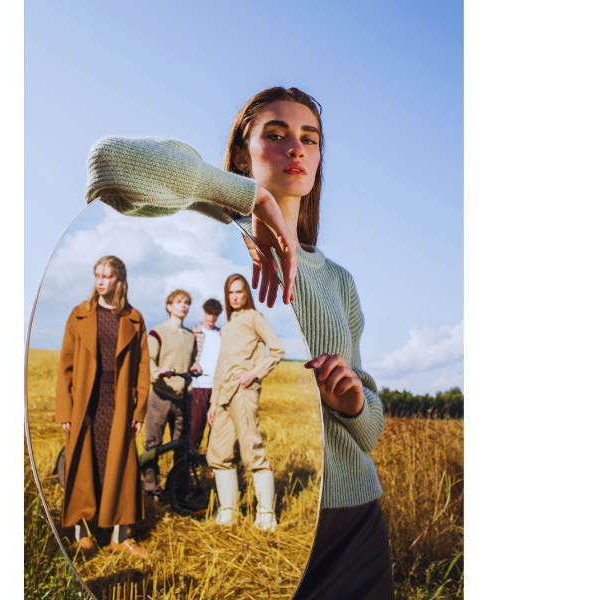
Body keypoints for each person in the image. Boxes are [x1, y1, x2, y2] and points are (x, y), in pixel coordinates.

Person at [84, 87, 395, 598]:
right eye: (275, 135)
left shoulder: (338, 280)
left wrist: (355, 403)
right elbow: (108, 165)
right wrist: (246, 198)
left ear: (319, 159)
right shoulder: (214, 246)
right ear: (239, 158)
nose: (296, 148)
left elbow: (370, 433)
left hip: (354, 525)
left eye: (309, 139)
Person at [55, 255, 150, 557]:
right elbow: (65, 366)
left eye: (107, 276)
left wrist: (137, 411)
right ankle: (82, 534)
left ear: (119, 280)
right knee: (83, 464)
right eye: (97, 274)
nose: (100, 281)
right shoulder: (79, 314)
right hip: (86, 402)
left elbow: (143, 370)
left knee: (120, 466)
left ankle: (119, 537)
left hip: (119, 401)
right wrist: (66, 410)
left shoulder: (133, 318)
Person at [206, 274, 284, 530]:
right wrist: (213, 403)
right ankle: (228, 513)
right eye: (231, 293)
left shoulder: (254, 317)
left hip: (243, 391)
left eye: (239, 292)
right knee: (218, 452)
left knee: (252, 450)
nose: (235, 297)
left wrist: (253, 374)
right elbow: (220, 368)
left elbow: (277, 350)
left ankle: (265, 516)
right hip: (224, 393)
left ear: (246, 294)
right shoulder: (227, 326)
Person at [142, 289, 200, 502]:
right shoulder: (157, 332)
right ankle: (152, 491)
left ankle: (177, 491)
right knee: (153, 445)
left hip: (183, 397)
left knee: (182, 447)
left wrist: (195, 366)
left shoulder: (190, 335)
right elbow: (148, 361)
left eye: (186, 303)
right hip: (161, 396)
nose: (182, 306)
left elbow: (191, 360)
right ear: (169, 306)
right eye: (178, 302)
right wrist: (157, 372)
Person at [188, 298, 223, 453]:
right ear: (204, 312)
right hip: (198, 385)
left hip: (217, 387)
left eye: (215, 314)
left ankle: (212, 462)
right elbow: (186, 355)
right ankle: (191, 460)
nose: (212, 317)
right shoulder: (192, 331)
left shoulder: (222, 334)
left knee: (216, 426)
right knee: (196, 425)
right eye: (209, 313)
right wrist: (193, 364)